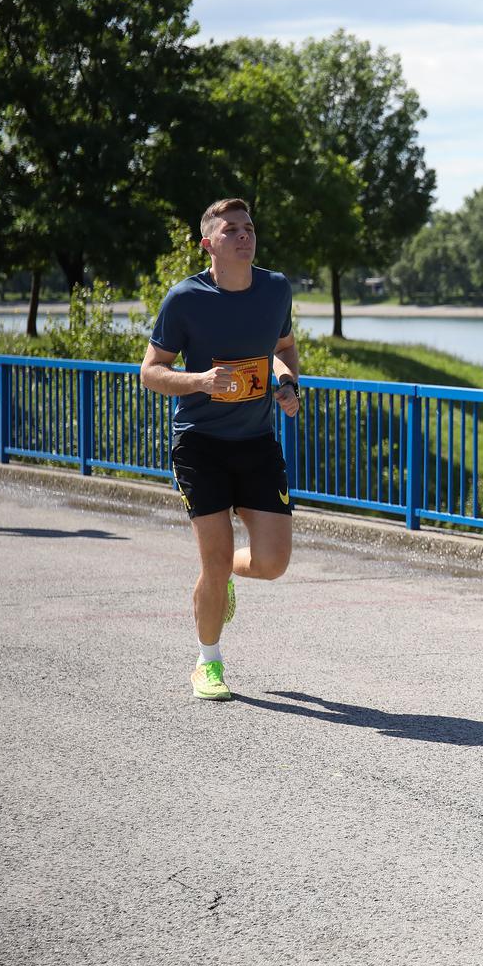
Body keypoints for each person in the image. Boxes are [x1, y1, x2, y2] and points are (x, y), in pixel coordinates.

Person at [140, 198, 302, 701]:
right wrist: (201, 381)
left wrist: (288, 383)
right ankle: (208, 662)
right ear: (208, 244)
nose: (244, 235)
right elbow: (150, 372)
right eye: (231, 229)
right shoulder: (185, 298)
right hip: (200, 444)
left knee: (273, 563)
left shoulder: (275, 289)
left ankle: (227, 571)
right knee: (212, 560)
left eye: (248, 227)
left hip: (256, 442)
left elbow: (283, 348)